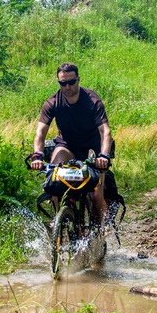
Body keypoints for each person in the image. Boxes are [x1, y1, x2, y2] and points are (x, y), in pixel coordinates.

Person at [31, 62, 113, 227]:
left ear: (78, 80)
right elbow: (40, 132)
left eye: (71, 82)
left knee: (96, 196)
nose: (67, 86)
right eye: (62, 83)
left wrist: (104, 155)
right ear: (58, 82)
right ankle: (59, 217)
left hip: (92, 150)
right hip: (67, 146)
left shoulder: (92, 101)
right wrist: (37, 155)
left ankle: (100, 235)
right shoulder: (53, 102)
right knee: (53, 178)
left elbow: (105, 132)